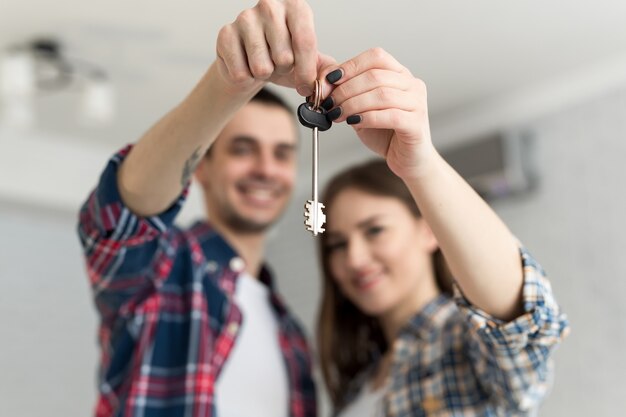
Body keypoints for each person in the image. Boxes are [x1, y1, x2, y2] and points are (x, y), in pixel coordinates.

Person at [77, 1, 337, 416]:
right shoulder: (162, 269)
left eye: (282, 153)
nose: (266, 170)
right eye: (243, 149)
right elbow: (121, 217)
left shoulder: (291, 334)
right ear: (202, 167)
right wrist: (226, 85)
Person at [316, 48, 570, 416]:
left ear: (427, 230)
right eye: (337, 244)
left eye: (374, 230)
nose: (353, 258)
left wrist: (421, 164)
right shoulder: (358, 385)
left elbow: (522, 325)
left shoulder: (463, 343)